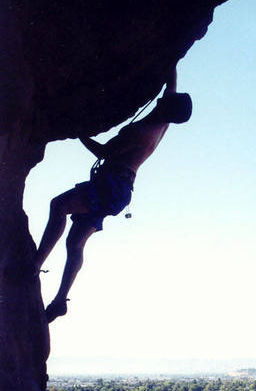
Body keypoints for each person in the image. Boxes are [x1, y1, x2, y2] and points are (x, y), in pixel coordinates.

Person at [36, 67, 192, 322]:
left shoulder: (143, 133)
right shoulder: (163, 120)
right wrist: (174, 58)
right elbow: (171, 85)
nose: (164, 97)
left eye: (168, 100)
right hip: (117, 190)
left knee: (59, 206)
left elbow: (103, 151)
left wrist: (78, 133)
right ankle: (60, 300)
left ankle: (34, 265)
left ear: (169, 108)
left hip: (110, 186)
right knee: (75, 243)